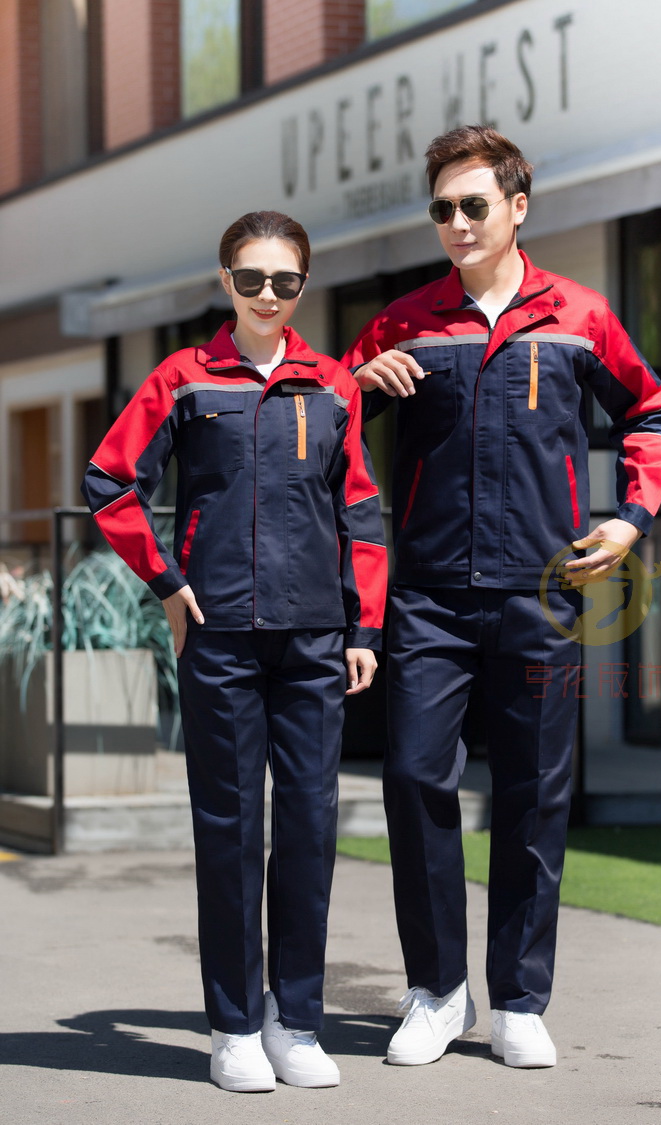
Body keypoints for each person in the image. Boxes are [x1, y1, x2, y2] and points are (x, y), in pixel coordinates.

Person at [342, 126, 661, 1069]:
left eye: (473, 205)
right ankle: (437, 992)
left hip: (543, 592)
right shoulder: (406, 321)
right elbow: (324, 418)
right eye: (441, 208)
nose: (456, 222)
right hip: (429, 598)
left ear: (517, 208)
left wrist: (630, 520)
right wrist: (355, 382)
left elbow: (651, 411)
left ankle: (521, 1000)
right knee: (415, 779)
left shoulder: (579, 315)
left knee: (533, 791)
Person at [82, 210, 388, 1092]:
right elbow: (110, 478)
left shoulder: (333, 385)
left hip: (314, 641)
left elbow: (360, 510)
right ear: (226, 282)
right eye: (250, 279)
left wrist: (365, 626)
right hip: (217, 639)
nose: (267, 295)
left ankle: (297, 1021)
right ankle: (234, 1026)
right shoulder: (184, 378)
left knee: (310, 827)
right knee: (229, 830)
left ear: (303, 286)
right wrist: (166, 581)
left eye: (284, 281)